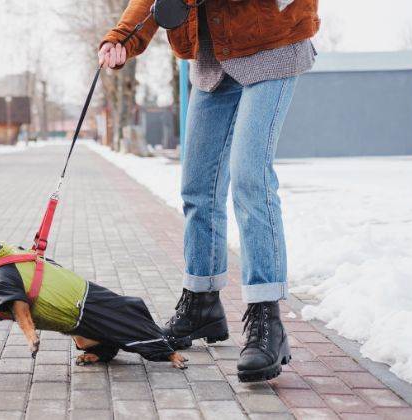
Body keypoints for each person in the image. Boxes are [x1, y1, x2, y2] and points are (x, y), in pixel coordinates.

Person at [99, 0, 319, 382]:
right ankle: (201, 303)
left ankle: (266, 317)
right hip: (212, 58)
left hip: (270, 42)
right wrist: (123, 38)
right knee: (198, 187)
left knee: (250, 176)